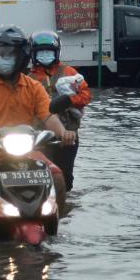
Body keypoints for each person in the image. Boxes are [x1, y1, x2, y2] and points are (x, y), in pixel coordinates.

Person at [0, 25, 76, 240]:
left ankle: (53, 230)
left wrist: (63, 132)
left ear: (21, 56)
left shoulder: (33, 86)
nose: (2, 58)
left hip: (24, 151)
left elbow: (48, 116)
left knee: (57, 177)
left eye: (8, 54)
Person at [28, 30, 92, 191]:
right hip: (39, 137)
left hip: (68, 135)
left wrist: (69, 99)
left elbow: (86, 96)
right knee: (39, 176)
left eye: (48, 52)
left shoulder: (69, 73)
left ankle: (65, 210)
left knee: (65, 178)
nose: (45, 56)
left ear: (56, 53)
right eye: (41, 52)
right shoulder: (29, 79)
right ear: (33, 54)